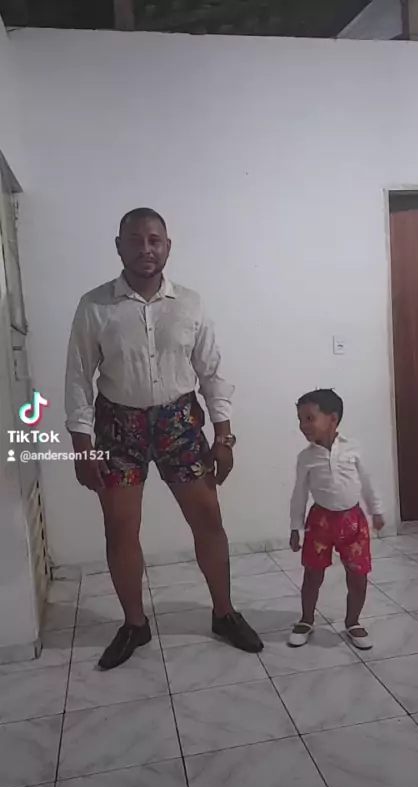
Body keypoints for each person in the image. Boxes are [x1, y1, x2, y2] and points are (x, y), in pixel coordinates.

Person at [65, 207, 263, 669]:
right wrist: (81, 446)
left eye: (154, 240)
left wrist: (224, 435)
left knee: (208, 519)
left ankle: (224, 613)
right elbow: (78, 378)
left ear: (168, 247)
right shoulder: (94, 306)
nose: (146, 249)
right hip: (118, 427)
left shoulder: (190, 303)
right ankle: (134, 624)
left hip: (180, 423)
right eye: (135, 240)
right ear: (119, 247)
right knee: (120, 528)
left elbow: (211, 371)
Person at [288, 388, 384, 649]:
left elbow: (367, 482)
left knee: (358, 576)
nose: (303, 425)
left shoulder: (353, 449)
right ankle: (306, 619)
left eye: (310, 418)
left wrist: (376, 510)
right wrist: (295, 527)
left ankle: (353, 622)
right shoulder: (306, 458)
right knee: (312, 574)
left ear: (333, 418)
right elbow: (299, 494)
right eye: (300, 419)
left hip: (353, 522)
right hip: (319, 522)